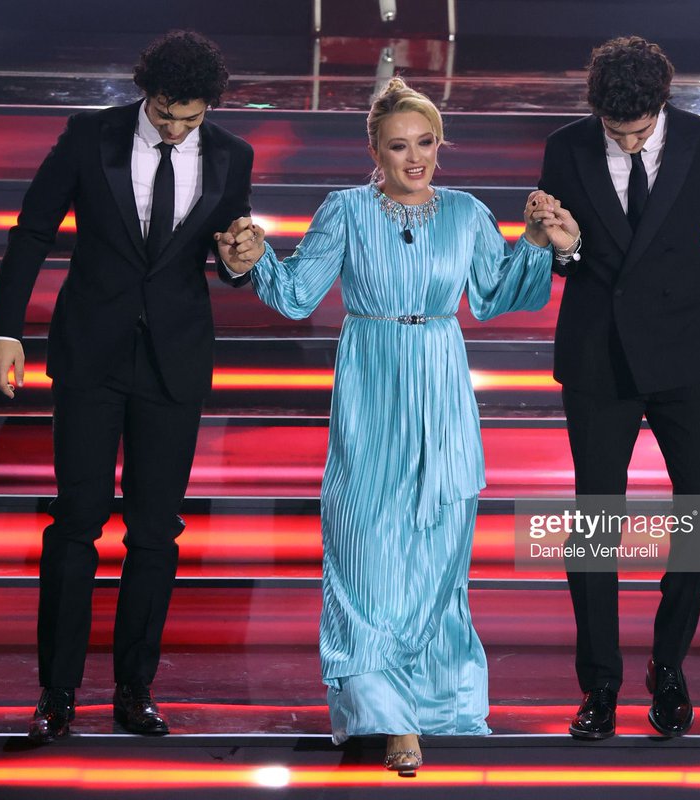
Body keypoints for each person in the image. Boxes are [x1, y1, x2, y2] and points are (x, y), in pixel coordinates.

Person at [218, 77, 577, 773]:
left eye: (426, 143)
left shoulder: (468, 211)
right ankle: (385, 718)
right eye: (398, 147)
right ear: (374, 151)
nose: (416, 158)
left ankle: (440, 708)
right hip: (372, 384)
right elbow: (295, 297)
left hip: (443, 384)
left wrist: (537, 243)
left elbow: (500, 296)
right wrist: (255, 257)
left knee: (440, 562)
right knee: (366, 558)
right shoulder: (345, 211)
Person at [0, 31, 255, 743]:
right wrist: (4, 329)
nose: (176, 128)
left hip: (175, 360)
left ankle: (135, 689)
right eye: (165, 112)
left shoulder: (232, 155)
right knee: (76, 521)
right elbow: (32, 230)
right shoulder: (89, 136)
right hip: (90, 358)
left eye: (190, 118)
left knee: (156, 532)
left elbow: (229, 255)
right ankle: (58, 693)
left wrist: (239, 260)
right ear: (146, 91)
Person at [538, 36, 700, 739]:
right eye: (615, 130)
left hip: (683, 359)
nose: (627, 139)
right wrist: (564, 247)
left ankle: (668, 666)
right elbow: (564, 261)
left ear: (662, 106)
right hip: (599, 359)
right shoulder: (567, 147)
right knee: (594, 529)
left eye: (638, 131)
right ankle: (600, 684)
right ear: (597, 112)